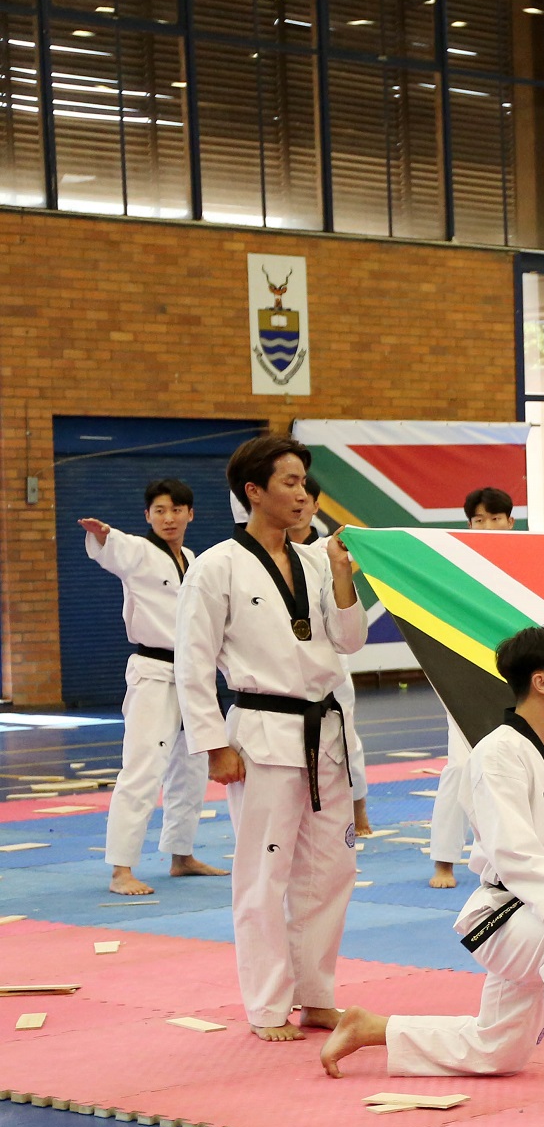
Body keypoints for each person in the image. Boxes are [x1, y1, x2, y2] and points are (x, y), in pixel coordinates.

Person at [319, 626, 544, 1113]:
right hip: (506, 914)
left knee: (497, 1051)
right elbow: (511, 847)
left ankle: (372, 1027)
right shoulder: (496, 753)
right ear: (542, 682)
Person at [174, 435, 365, 1042]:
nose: (303, 494)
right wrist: (212, 744)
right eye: (289, 482)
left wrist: (341, 579)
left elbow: (350, 640)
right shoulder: (215, 566)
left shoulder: (317, 559)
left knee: (330, 870)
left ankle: (316, 995)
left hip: (325, 734)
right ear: (253, 492)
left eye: (305, 483)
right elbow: (193, 662)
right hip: (260, 733)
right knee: (263, 873)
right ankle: (264, 1004)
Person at [79, 480, 222, 896]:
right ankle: (121, 869)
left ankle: (181, 855)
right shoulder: (139, 553)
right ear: (147, 516)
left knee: (192, 769)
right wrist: (103, 535)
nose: (169, 518)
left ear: (191, 514)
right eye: (159, 510)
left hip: (193, 675)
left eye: (177, 510)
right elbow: (116, 549)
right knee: (142, 769)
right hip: (153, 673)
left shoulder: (194, 560)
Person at [429, 486, 520, 890]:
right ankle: (444, 861)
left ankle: (511, 855)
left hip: (516, 675)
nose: (486, 526)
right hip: (463, 675)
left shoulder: (525, 559)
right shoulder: (454, 563)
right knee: (462, 767)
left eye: (494, 518)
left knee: (519, 767)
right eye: (478, 520)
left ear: (510, 522)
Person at [288, 478, 373, 854]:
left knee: (346, 734)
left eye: (306, 498)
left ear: (316, 506)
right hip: (290, 662)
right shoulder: (267, 550)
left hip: (332, 654)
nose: (299, 503)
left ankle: (358, 809)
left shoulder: (327, 549)